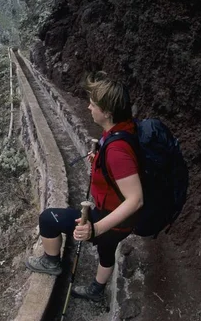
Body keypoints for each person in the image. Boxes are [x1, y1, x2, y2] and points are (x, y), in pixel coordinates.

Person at [25, 77, 144, 301]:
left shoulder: (117, 150)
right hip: (122, 221)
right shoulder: (123, 129)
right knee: (106, 252)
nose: (88, 107)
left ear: (107, 112)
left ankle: (51, 262)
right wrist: (98, 158)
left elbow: (135, 199)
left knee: (49, 219)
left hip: (110, 219)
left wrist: (95, 229)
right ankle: (96, 291)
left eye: (93, 104)